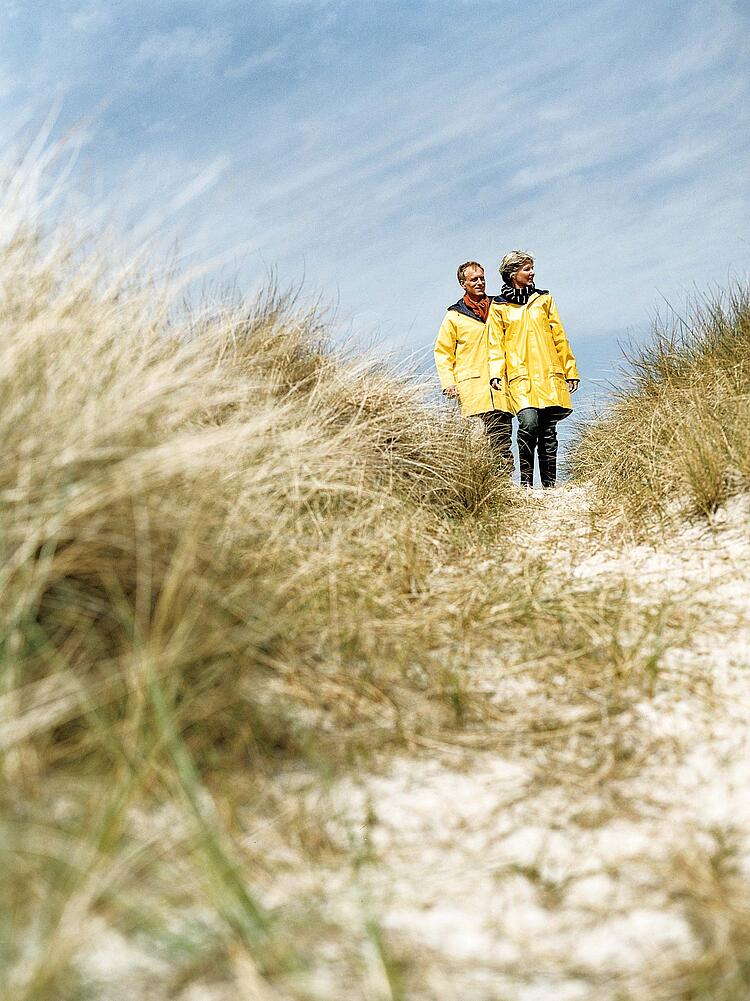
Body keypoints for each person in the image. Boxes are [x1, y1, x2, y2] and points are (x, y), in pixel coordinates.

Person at [488, 251, 579, 488]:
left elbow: (559, 336)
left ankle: (549, 486)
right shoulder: (499, 307)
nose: (532, 273)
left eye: (532, 268)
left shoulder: (544, 299)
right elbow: (495, 343)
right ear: (512, 273)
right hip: (520, 377)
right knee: (528, 423)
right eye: (527, 269)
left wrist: (570, 369)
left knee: (548, 430)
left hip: (549, 372)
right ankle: (527, 484)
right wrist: (496, 373)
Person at [434, 261, 513, 472]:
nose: (480, 282)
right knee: (477, 443)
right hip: (471, 389)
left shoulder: (499, 307)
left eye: (482, 278)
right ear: (463, 283)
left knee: (502, 442)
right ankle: (484, 487)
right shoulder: (454, 316)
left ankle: (505, 488)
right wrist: (448, 383)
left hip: (500, 388)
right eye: (474, 279)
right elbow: (443, 352)